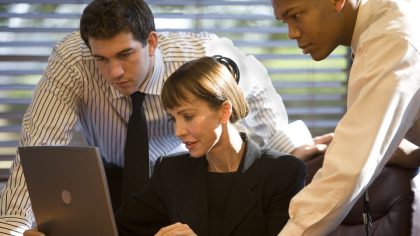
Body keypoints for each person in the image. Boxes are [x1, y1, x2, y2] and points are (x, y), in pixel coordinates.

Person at [0, 0, 329, 234]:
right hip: (121, 178)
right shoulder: (74, 63)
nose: (114, 72)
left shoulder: (198, 59)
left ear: (151, 43)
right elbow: (37, 151)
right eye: (102, 59)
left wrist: (286, 143)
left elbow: (254, 81)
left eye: (125, 55)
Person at [271, 0, 420, 234]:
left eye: (296, 15)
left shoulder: (392, 39)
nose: (291, 33)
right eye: (284, 21)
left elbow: (346, 173)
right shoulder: (382, 26)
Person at [116, 55, 306, 236]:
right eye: (173, 119)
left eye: (188, 116)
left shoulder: (282, 172)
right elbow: (119, 226)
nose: (178, 131)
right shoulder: (170, 171)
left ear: (224, 111)